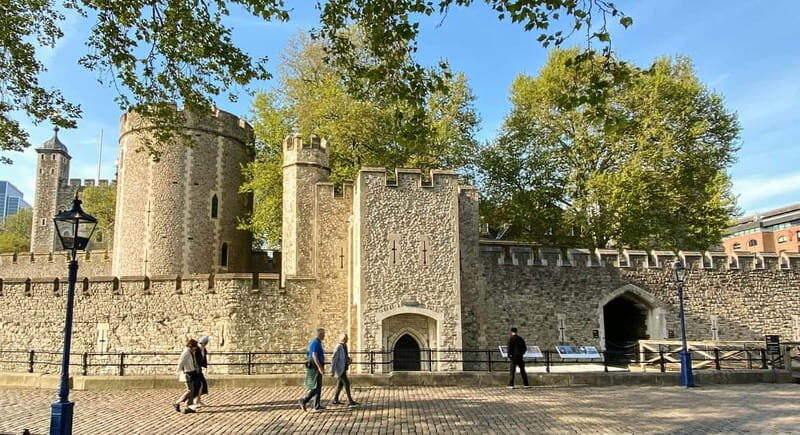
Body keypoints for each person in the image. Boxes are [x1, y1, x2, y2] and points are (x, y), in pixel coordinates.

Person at [299, 328, 326, 412]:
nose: (324, 336)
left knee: (319, 385)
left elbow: (308, 352)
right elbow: (314, 356)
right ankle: (304, 400)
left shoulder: (315, 342)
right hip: (315, 365)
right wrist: (320, 368)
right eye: (323, 334)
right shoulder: (315, 343)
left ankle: (317, 405)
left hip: (315, 364)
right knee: (317, 386)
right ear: (320, 334)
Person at [173, 338, 201, 413]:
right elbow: (180, 362)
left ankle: (188, 407)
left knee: (192, 391)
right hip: (187, 373)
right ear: (192, 346)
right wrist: (179, 371)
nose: (195, 349)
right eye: (195, 347)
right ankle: (177, 403)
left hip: (192, 372)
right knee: (189, 391)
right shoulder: (186, 353)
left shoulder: (191, 352)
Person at [330, 333, 358, 406]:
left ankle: (335, 399)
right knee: (347, 383)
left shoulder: (345, 346)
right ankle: (350, 400)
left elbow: (344, 356)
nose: (348, 339)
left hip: (344, 368)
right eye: (346, 338)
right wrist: (332, 371)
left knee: (340, 384)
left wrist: (348, 359)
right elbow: (334, 358)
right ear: (344, 339)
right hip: (340, 368)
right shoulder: (338, 346)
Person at [193, 336, 210, 408]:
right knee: (198, 385)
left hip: (199, 369)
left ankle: (198, 400)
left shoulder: (203, 349)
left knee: (203, 384)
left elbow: (203, 358)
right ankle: (195, 401)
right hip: (195, 370)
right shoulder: (196, 349)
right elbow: (194, 360)